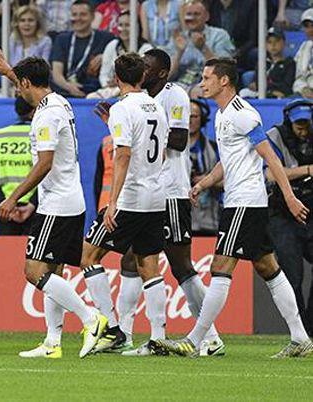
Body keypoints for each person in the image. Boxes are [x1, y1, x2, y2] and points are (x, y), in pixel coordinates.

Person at [158, 58, 313, 358]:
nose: (201, 83)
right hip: (242, 201)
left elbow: (271, 158)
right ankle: (300, 337)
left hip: (245, 202)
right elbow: (227, 161)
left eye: (206, 78)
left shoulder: (243, 114)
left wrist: (290, 197)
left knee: (220, 267)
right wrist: (203, 184)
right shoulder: (222, 114)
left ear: (224, 81)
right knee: (268, 267)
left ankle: (195, 339)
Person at [95, 49, 225, 356]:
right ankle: (124, 333)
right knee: (131, 260)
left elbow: (179, 141)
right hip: (148, 193)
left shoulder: (174, 96)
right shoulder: (139, 103)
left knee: (181, 266)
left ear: (161, 73)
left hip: (172, 192)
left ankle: (210, 336)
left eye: (149, 68)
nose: (144, 71)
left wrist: (139, 129)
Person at [0, 49, 108, 359]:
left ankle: (91, 320)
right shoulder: (58, 102)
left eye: (18, 84)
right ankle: (53, 343)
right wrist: (10, 73)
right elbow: (31, 84)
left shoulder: (45, 114)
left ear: (28, 82)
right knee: (54, 270)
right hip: (70, 200)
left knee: (34, 270)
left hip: (56, 204)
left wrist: (13, 197)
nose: (17, 90)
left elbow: (44, 163)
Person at [77, 52, 169, 357]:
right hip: (156, 195)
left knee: (89, 255)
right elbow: (156, 148)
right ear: (143, 77)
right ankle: (158, 337)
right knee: (148, 265)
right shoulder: (157, 105)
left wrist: (112, 201)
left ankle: (112, 330)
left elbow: (124, 154)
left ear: (116, 78)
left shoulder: (121, 109)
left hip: (130, 198)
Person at [265, 99, 313, 335]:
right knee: (292, 275)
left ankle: (310, 326)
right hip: (283, 213)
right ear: (289, 121)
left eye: (306, 124)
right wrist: (308, 170)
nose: (303, 129)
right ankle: (300, 331)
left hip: (311, 209)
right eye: (298, 125)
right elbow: (270, 174)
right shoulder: (274, 136)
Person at [0, 97, 37, 235]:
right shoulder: (41, 137)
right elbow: (48, 173)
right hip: (36, 209)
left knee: (6, 255)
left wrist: (4, 204)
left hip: (6, 211)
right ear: (34, 112)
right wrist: (33, 204)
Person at [50, 0, 114, 98]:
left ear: (92, 16)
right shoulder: (61, 39)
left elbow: (120, 55)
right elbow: (57, 73)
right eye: (74, 14)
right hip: (65, 93)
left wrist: (105, 56)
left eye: (83, 14)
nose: (78, 18)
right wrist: (69, 87)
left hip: (95, 94)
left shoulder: (106, 38)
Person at [166, 0, 235, 91]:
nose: (192, 18)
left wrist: (204, 48)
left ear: (207, 16)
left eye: (196, 14)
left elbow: (225, 71)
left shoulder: (219, 35)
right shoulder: (178, 38)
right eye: (188, 14)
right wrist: (179, 53)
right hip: (180, 85)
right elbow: (167, 76)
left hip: (208, 84)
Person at [88, 11, 153, 99]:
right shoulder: (112, 45)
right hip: (112, 89)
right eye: (120, 25)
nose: (123, 29)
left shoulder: (146, 49)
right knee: (91, 97)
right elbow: (104, 74)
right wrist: (108, 84)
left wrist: (124, 84)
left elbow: (146, 76)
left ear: (137, 27)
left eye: (127, 25)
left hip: (138, 90)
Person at [188, 98, 221, 235]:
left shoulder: (214, 148)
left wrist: (207, 180)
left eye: (194, 116)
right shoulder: (169, 150)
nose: (189, 120)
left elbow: (229, 179)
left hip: (210, 219)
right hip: (182, 218)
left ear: (203, 119)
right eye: (186, 116)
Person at [239, 27, 296, 99]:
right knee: (243, 93)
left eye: (277, 41)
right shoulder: (263, 61)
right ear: (266, 45)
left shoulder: (289, 63)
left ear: (283, 43)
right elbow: (256, 81)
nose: (273, 45)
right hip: (261, 92)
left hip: (279, 95)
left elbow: (286, 86)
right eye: (269, 42)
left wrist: (266, 87)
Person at [207, 0, 257, 70]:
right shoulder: (211, 5)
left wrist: (238, 52)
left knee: (254, 53)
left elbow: (253, 38)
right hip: (215, 49)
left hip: (241, 51)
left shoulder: (249, 4)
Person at [293, 8, 313, 99]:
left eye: (312, 25)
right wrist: (303, 88)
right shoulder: (305, 47)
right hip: (305, 94)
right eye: (307, 26)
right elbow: (299, 77)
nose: (310, 30)